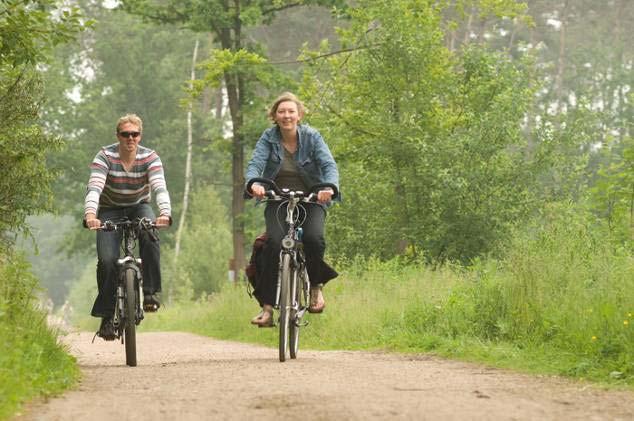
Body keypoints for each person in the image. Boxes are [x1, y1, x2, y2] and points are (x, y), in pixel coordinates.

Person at [245, 92, 340, 327]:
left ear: (299, 115)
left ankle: (316, 288)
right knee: (273, 244)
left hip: (311, 197)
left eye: (291, 111)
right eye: (281, 112)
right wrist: (255, 184)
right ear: (274, 116)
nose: (286, 116)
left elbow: (328, 164)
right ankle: (267, 309)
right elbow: (256, 163)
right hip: (277, 196)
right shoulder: (268, 138)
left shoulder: (312, 137)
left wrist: (329, 187)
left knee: (313, 239)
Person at [84, 114, 171, 340]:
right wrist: (91, 215)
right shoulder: (105, 156)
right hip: (109, 210)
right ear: (118, 136)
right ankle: (105, 318)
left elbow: (159, 186)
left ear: (140, 136)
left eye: (135, 134)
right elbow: (94, 187)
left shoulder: (150, 157)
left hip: (139, 206)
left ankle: (151, 293)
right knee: (107, 261)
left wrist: (165, 213)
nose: (130, 138)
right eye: (125, 134)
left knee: (150, 234)